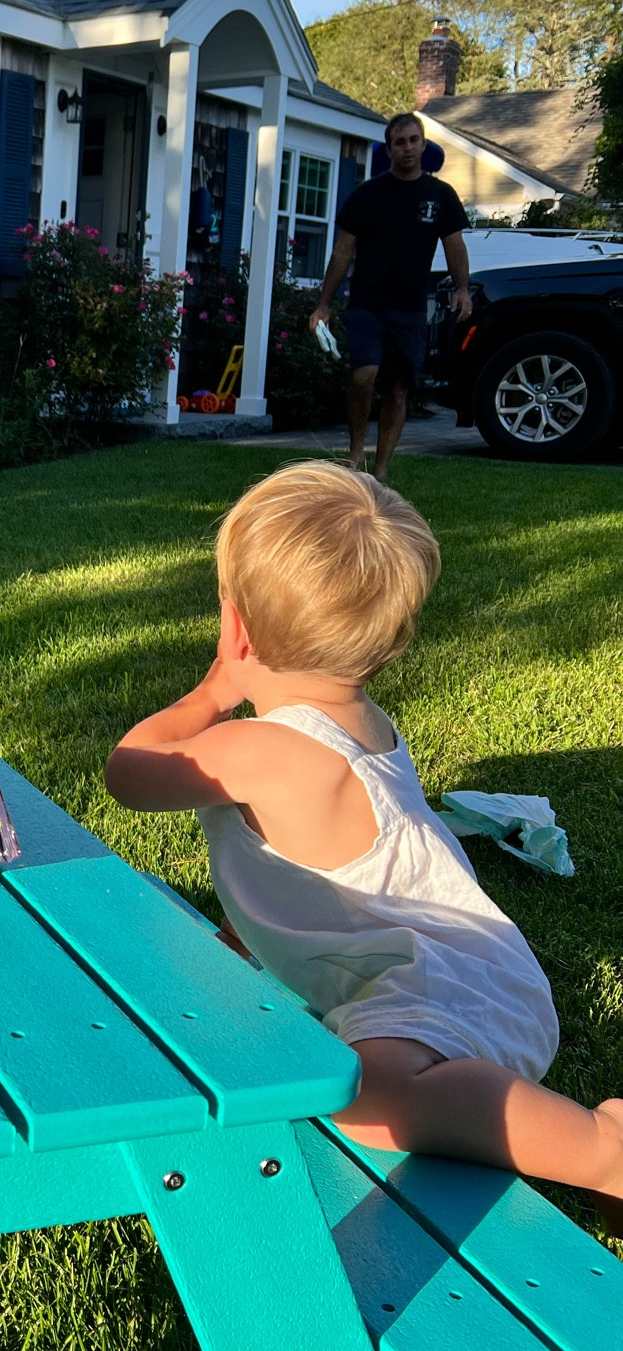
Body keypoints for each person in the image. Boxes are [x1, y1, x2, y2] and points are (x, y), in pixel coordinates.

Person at [105, 460, 623, 1223]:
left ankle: (601, 1148)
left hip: (438, 1002)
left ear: (237, 626)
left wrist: (214, 689)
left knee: (365, 1102)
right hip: (474, 972)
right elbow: (318, 869)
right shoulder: (362, 722)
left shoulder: (263, 748)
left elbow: (131, 774)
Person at [308, 114, 472, 481]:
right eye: (400, 142)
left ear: (424, 144)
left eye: (414, 140)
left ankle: (380, 470)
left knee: (398, 390)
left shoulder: (440, 196)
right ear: (390, 149)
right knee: (363, 376)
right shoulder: (367, 195)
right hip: (367, 305)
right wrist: (324, 304)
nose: (408, 148)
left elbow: (455, 246)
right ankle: (354, 455)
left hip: (411, 309)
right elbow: (342, 253)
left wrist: (462, 289)